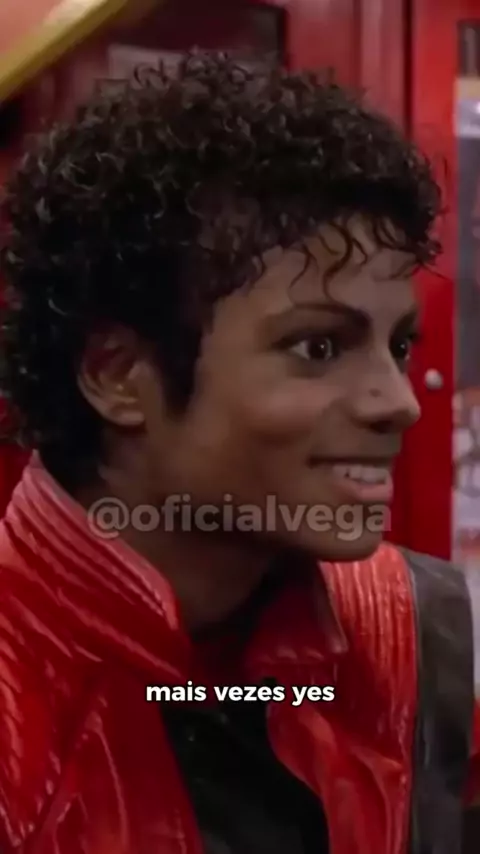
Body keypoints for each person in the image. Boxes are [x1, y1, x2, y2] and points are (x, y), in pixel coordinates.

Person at [0, 52, 478, 854]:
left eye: (398, 346)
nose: (397, 400)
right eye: (319, 347)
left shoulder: (416, 627)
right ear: (118, 375)